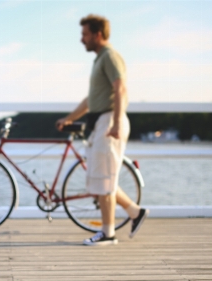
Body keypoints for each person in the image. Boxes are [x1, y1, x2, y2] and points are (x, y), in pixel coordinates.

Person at [56, 14, 148, 246]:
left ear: (98, 34)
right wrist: (69, 119)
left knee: (104, 180)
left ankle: (108, 234)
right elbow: (91, 99)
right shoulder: (99, 60)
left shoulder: (110, 56)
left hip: (109, 122)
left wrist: (116, 122)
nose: (82, 39)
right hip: (101, 122)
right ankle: (135, 212)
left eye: (85, 34)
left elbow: (121, 89)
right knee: (101, 179)